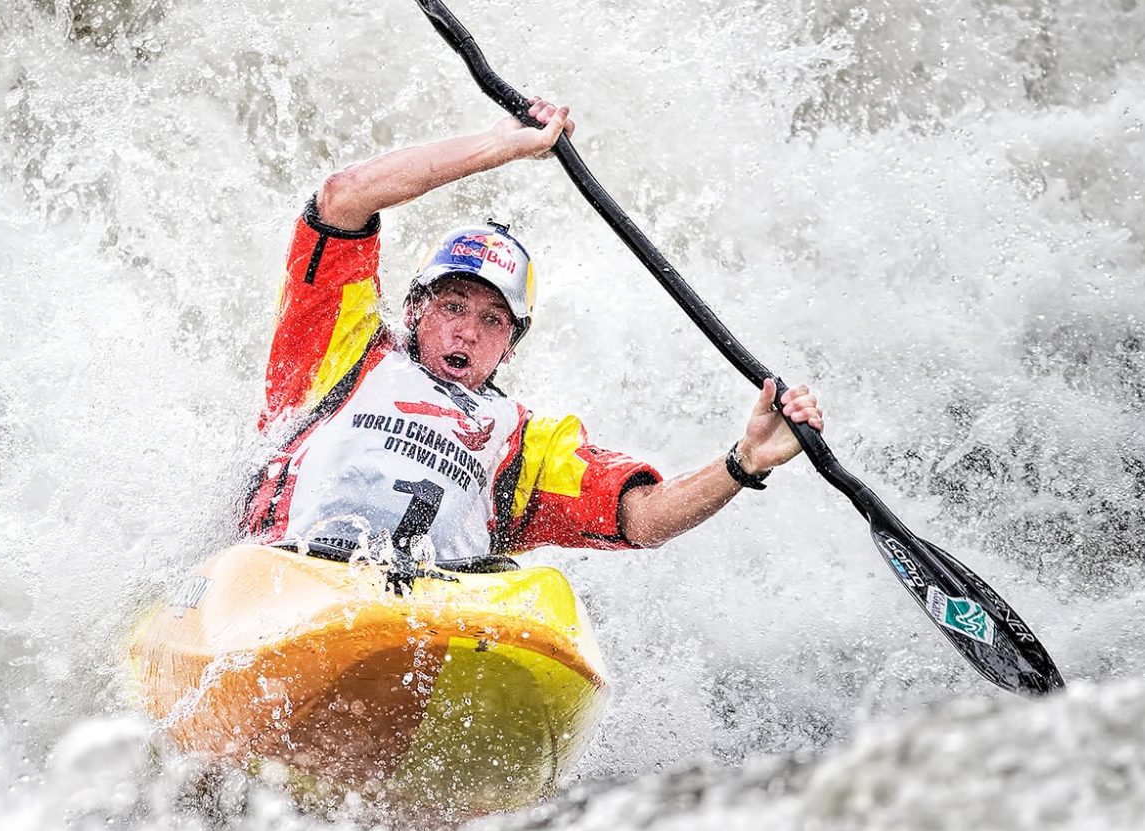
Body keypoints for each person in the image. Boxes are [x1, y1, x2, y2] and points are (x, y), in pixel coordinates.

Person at [241, 99, 824, 561]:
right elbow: (343, 197)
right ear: (415, 309)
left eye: (492, 319)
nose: (467, 332)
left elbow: (641, 517)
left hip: (422, 614)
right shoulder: (342, 349)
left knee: (545, 592)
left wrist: (744, 461)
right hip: (284, 573)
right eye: (453, 306)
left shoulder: (526, 444)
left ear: (511, 346)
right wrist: (499, 146)